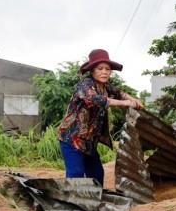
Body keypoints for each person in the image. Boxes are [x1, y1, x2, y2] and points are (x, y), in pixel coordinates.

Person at [57, 48, 143, 187]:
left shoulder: (105, 86)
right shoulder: (85, 84)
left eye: (107, 69)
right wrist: (124, 103)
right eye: (100, 68)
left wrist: (133, 100)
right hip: (72, 139)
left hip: (90, 142)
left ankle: (94, 203)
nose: (104, 72)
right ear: (92, 70)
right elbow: (94, 99)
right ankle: (73, 206)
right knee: (76, 174)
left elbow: (119, 92)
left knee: (97, 174)